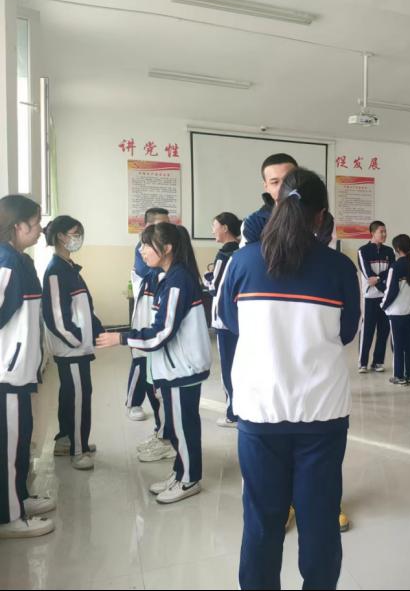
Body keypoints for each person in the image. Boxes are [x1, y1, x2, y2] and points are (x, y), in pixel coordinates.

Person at [218, 169, 360, 589]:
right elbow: (346, 332)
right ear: (321, 216)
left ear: (278, 207)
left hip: (260, 412)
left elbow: (229, 322)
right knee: (320, 520)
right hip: (322, 415)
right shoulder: (339, 268)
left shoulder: (242, 262)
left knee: (262, 521)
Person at [97, 224, 211, 504]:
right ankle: (180, 473)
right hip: (175, 367)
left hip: (182, 368)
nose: (142, 251)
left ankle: (189, 479)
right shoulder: (169, 276)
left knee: (184, 428)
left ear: (167, 248)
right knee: (177, 426)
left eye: (147, 245)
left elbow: (162, 333)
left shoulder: (178, 281)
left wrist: (121, 338)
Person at [0, 195, 56, 539]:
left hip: (21, 371)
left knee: (21, 441)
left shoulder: (20, 260)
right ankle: (9, 517)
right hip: (7, 373)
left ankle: (19, 498)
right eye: (35, 224)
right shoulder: (6, 262)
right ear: (17, 226)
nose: (39, 230)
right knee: (8, 448)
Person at [42, 216, 104, 471]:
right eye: (75, 233)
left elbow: (85, 307)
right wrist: (77, 339)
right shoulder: (56, 270)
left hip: (77, 347)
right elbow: (56, 317)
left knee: (70, 394)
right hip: (71, 350)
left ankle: (66, 440)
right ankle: (79, 450)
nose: (78, 238)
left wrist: (96, 331)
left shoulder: (69, 267)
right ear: (60, 236)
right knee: (79, 397)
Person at [126, 207, 169, 422]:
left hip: (159, 307)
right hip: (145, 309)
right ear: (148, 226)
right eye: (162, 224)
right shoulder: (143, 247)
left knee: (156, 358)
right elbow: (149, 271)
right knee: (141, 359)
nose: (166, 229)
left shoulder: (166, 246)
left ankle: (159, 401)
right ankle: (133, 402)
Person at [206, 212, 242, 428]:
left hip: (224, 320)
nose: (213, 230)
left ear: (225, 228)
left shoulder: (224, 254)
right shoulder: (243, 251)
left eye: (214, 226)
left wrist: (207, 277)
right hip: (240, 317)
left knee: (228, 367)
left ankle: (232, 414)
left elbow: (214, 287)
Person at [381, 234, 410, 385]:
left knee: (397, 345)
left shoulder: (395, 266)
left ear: (397, 249)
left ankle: (398, 376)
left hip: (397, 312)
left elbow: (391, 290)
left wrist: (383, 305)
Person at [357, 221, 395, 373]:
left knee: (383, 331)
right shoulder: (363, 251)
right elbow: (367, 274)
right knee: (367, 330)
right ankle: (362, 363)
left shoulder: (389, 251)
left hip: (385, 297)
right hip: (369, 297)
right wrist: (380, 282)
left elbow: (391, 271)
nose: (384, 234)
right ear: (372, 233)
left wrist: (378, 280)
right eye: (381, 231)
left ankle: (378, 362)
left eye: (385, 231)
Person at [241, 153, 298, 245]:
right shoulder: (254, 222)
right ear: (266, 187)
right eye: (275, 182)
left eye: (288, 180)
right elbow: (251, 253)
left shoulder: (317, 215)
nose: (282, 188)